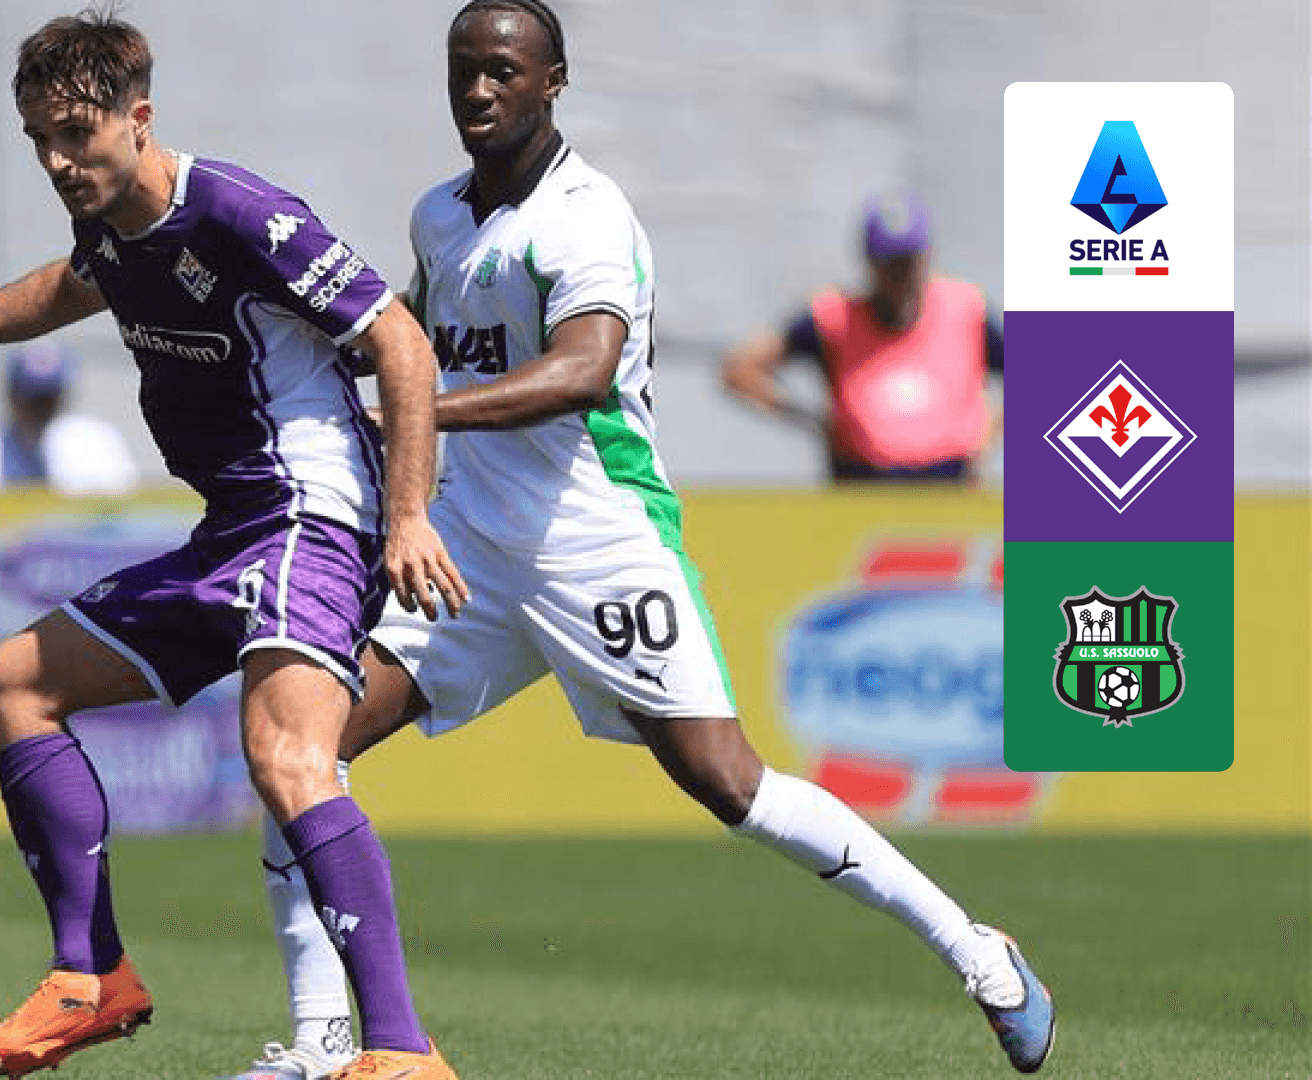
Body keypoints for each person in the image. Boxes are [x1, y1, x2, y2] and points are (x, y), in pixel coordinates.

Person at [222, 4, 1054, 1078]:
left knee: (728, 782)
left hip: (595, 538)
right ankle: (322, 1040)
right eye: (464, 70)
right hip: (468, 551)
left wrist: (418, 414)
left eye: (503, 71)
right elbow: (412, 349)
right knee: (300, 749)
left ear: (553, 80)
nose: (479, 90)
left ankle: (977, 950)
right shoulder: (439, 215)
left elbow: (582, 372)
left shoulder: (585, 215)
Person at [0, 11, 469, 1079]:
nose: (56, 161)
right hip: (233, 532)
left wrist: (408, 515)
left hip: (311, 515)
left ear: (140, 118)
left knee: (287, 756)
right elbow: (73, 285)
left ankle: (401, 1053)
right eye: (38, 139)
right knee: (13, 684)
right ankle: (90, 980)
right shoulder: (114, 229)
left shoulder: (240, 212)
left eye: (76, 134)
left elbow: (399, 342)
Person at [721, 192, 1004, 484]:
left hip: (950, 485)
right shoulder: (835, 317)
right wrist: (811, 420)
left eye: (909, 263)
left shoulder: (966, 311)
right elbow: (740, 368)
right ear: (870, 264)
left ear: (926, 259)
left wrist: (988, 435)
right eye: (890, 266)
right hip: (862, 485)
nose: (902, 279)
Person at [0, 340, 141, 498]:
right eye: (30, 398)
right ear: (10, 394)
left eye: (47, 398)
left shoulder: (97, 442)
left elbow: (120, 504)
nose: (39, 408)